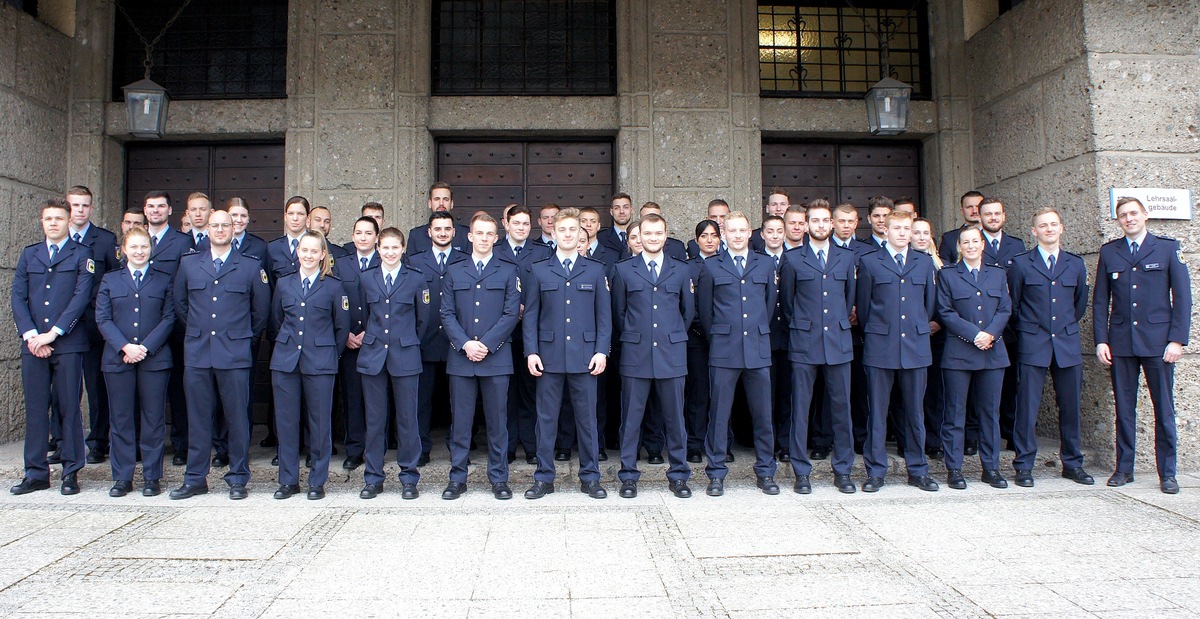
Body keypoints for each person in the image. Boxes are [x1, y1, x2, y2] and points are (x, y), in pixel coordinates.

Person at [169, 210, 271, 500]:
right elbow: (181, 303)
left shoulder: (250, 266)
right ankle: (195, 478)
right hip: (199, 353)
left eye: (225, 225)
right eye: (215, 225)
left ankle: (238, 477)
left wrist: (243, 338)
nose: (220, 230)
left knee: (237, 418)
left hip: (235, 353)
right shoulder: (189, 264)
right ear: (207, 229)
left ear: (234, 228)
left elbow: (260, 311)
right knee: (198, 418)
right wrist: (202, 331)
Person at [1094, 197, 1192, 494]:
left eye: (1133, 213)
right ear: (1118, 220)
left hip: (1158, 343)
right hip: (1121, 342)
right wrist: (1101, 340)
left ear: (1145, 215)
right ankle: (1124, 468)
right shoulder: (1110, 252)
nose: (1129, 219)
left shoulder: (1166, 248)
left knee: (1163, 409)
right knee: (1124, 409)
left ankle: (1168, 472)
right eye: (1123, 215)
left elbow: (1183, 298)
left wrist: (1177, 339)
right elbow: (1101, 301)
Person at [522, 207, 612, 500]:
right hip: (548, 356)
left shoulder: (596, 270)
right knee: (546, 419)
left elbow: (604, 317)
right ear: (554, 233)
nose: (568, 234)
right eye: (563, 230)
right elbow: (531, 316)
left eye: (574, 230)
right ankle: (544, 478)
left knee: (587, 421)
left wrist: (601, 351)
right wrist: (531, 352)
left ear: (580, 234)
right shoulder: (539, 269)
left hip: (586, 357)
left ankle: (590, 477)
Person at [9, 198, 94, 496]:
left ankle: (71, 471)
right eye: (49, 219)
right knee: (35, 410)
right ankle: (35, 473)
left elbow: (80, 299)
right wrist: (32, 335)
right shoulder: (29, 254)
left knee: (69, 407)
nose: (54, 223)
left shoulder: (83, 255)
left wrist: (52, 334)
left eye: (59, 218)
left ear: (69, 221)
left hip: (68, 343)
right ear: (42, 222)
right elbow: (17, 297)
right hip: (33, 345)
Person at [1006, 208, 1093, 488]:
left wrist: (1063, 328)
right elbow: (1014, 305)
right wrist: (1031, 329)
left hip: (1066, 344)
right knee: (1027, 408)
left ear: (1062, 228)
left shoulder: (1075, 264)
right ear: (1034, 232)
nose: (1049, 229)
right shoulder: (1021, 264)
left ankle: (1072, 463)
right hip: (1033, 343)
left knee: (1070, 407)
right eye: (1043, 226)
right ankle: (1023, 464)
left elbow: (1078, 304)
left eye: (1054, 224)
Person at [696, 211, 779, 497]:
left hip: (757, 348)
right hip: (724, 349)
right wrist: (720, 336)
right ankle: (716, 473)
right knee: (719, 414)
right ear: (724, 234)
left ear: (750, 233)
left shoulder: (765, 264)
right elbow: (705, 312)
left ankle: (766, 472)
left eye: (743, 230)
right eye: (732, 231)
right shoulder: (710, 267)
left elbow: (769, 306)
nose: (738, 235)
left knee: (762, 414)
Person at [612, 213, 695, 499]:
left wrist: (668, 337)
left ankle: (679, 475)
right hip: (635, 353)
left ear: (665, 234)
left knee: (675, 419)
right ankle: (628, 476)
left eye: (658, 233)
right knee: (631, 419)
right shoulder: (623, 270)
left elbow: (688, 312)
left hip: (671, 354)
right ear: (638, 237)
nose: (653, 238)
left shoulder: (681, 270)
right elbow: (619, 313)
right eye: (647, 233)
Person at [856, 210, 939, 493]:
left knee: (915, 413)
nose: (903, 233)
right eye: (897, 228)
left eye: (908, 228)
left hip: (915, 347)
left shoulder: (924, 262)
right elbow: (864, 308)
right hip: (881, 346)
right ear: (885, 231)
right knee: (878, 413)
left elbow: (928, 305)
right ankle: (876, 471)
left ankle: (918, 470)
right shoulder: (869, 262)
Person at [439, 213, 522, 500]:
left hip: (496, 358)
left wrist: (486, 344)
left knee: (498, 424)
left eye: (490, 234)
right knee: (460, 423)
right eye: (479, 233)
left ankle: (499, 479)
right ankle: (457, 478)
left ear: (496, 238)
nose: (485, 238)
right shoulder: (454, 271)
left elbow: (511, 313)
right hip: (461, 359)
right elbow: (446, 313)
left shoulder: (508, 270)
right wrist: (465, 344)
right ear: (470, 236)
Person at [778, 201, 857, 494]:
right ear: (807, 225)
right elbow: (788, 304)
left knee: (841, 408)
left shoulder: (846, 258)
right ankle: (801, 471)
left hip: (837, 342)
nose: (821, 226)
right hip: (804, 343)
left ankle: (844, 470)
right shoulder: (793, 259)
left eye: (826, 221)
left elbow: (848, 299)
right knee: (801, 408)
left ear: (833, 225)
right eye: (816, 221)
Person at [268, 231, 349, 501]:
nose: (309, 255)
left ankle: (317, 480)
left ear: (323, 254)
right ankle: (288, 480)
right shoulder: (284, 283)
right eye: (304, 250)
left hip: (321, 362)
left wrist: (328, 355)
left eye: (315, 251)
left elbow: (341, 328)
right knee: (287, 423)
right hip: (286, 362)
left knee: (319, 424)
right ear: (298, 252)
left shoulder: (334, 286)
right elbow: (276, 321)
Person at [95, 226, 175, 497]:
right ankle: (122, 477)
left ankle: (152, 477)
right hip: (119, 359)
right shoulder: (110, 280)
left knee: (153, 419)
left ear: (150, 249)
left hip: (154, 359)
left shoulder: (163, 279)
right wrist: (125, 347)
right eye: (134, 247)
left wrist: (145, 347)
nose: (139, 252)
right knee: (121, 419)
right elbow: (103, 319)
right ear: (124, 250)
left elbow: (169, 317)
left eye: (144, 247)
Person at [936, 227, 1012, 490]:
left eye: (975, 242)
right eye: (965, 242)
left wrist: (989, 334)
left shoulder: (998, 274)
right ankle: (954, 468)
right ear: (959, 246)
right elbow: (945, 312)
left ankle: (990, 468)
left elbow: (1005, 308)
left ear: (983, 245)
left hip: (992, 352)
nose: (970, 246)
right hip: (959, 353)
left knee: (989, 414)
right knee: (955, 413)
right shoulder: (947, 275)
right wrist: (974, 334)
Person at [356, 227, 429, 500]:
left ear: (402, 250)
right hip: (373, 356)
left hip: (405, 355)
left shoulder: (415, 279)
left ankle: (409, 477)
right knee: (375, 421)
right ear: (378, 249)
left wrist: (407, 341)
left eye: (394, 248)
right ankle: (373, 478)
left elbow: (423, 319)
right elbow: (364, 313)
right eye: (384, 248)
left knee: (408, 420)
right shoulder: (366, 278)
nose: (389, 252)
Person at [64, 186, 119, 466]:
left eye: (85, 205)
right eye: (75, 205)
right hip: (64, 328)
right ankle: (62, 441)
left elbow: (114, 280)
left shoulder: (106, 240)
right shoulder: (59, 239)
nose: (80, 210)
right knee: (63, 387)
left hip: (94, 326)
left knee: (96, 387)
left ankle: (98, 441)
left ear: (91, 208)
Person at [408, 211, 467, 464]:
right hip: (425, 339)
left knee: (461, 401)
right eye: (438, 229)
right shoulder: (414, 261)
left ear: (454, 232)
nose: (442, 233)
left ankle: (460, 445)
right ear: (429, 232)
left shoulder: (465, 260)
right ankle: (421, 448)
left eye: (447, 228)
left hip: (457, 341)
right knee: (422, 400)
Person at [495, 205, 552, 464]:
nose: (521, 228)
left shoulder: (542, 252)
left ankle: (530, 445)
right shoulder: (495, 252)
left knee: (531, 392)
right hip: (500, 333)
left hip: (533, 333)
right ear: (505, 225)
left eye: (526, 224)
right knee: (504, 393)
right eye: (516, 223)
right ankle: (506, 447)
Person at [142, 191, 192, 465]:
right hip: (142, 330)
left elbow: (187, 285)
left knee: (179, 389)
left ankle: (181, 445)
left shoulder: (183, 242)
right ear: (145, 210)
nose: (156, 211)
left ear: (170, 210)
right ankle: (147, 447)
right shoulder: (136, 240)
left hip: (175, 328)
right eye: (151, 206)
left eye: (161, 206)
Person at [333, 216, 381, 471]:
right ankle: (354, 448)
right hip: (350, 342)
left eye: (368, 233)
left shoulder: (386, 260)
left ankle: (377, 447)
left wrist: (370, 332)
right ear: (352, 236)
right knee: (352, 398)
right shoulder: (340, 265)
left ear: (377, 237)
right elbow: (336, 302)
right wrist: (347, 334)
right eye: (358, 232)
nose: (363, 237)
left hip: (377, 342)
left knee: (377, 399)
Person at [684, 220, 721, 463]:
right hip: (697, 340)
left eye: (714, 235)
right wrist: (705, 331)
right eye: (704, 236)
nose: (709, 240)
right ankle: (695, 444)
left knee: (722, 394)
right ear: (696, 240)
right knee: (698, 393)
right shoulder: (687, 268)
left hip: (725, 339)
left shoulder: (727, 264)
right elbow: (688, 307)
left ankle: (721, 442)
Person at [911, 217, 946, 460]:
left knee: (934, 391)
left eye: (926, 233)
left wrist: (938, 322)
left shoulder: (942, 266)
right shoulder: (908, 263)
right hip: (913, 336)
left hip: (938, 335)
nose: (922, 237)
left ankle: (933, 439)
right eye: (917, 232)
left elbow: (947, 299)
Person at [408, 182, 469, 254]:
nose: (441, 204)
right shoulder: (416, 235)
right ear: (430, 203)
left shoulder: (465, 234)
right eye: (437, 199)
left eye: (446, 199)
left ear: (452, 204)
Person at [266, 196, 311, 282]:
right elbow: (270, 283)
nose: (295, 218)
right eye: (291, 214)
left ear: (308, 218)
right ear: (285, 216)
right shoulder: (273, 247)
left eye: (300, 214)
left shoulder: (315, 244)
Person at [939, 191, 984, 264]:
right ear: (962, 211)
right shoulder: (949, 239)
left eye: (978, 207)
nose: (975, 211)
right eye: (969, 207)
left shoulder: (992, 238)